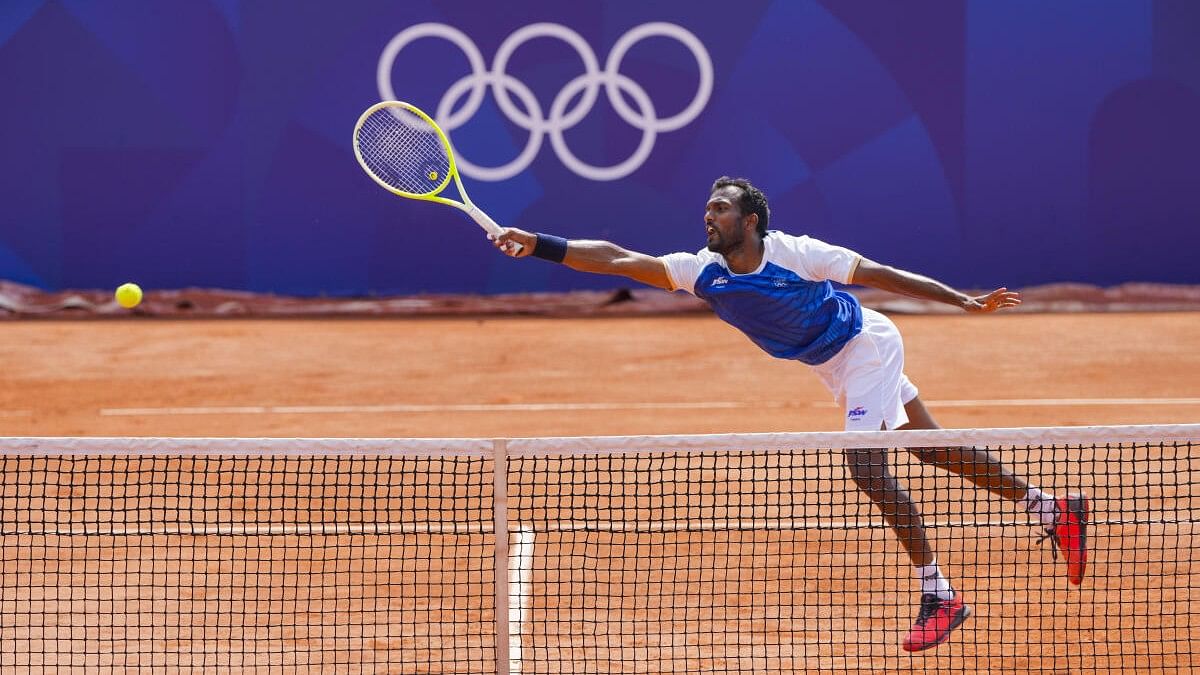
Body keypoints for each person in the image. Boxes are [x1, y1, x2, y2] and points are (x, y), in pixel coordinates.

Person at [489, 176, 1088, 652]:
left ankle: (941, 595)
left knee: (867, 471)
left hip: (865, 346)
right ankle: (1051, 506)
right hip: (831, 364)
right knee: (929, 448)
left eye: (720, 209)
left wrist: (962, 301)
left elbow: (880, 274)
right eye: (707, 208)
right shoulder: (703, 271)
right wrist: (538, 243)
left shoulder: (797, 254)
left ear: (749, 221)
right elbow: (620, 259)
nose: (709, 216)